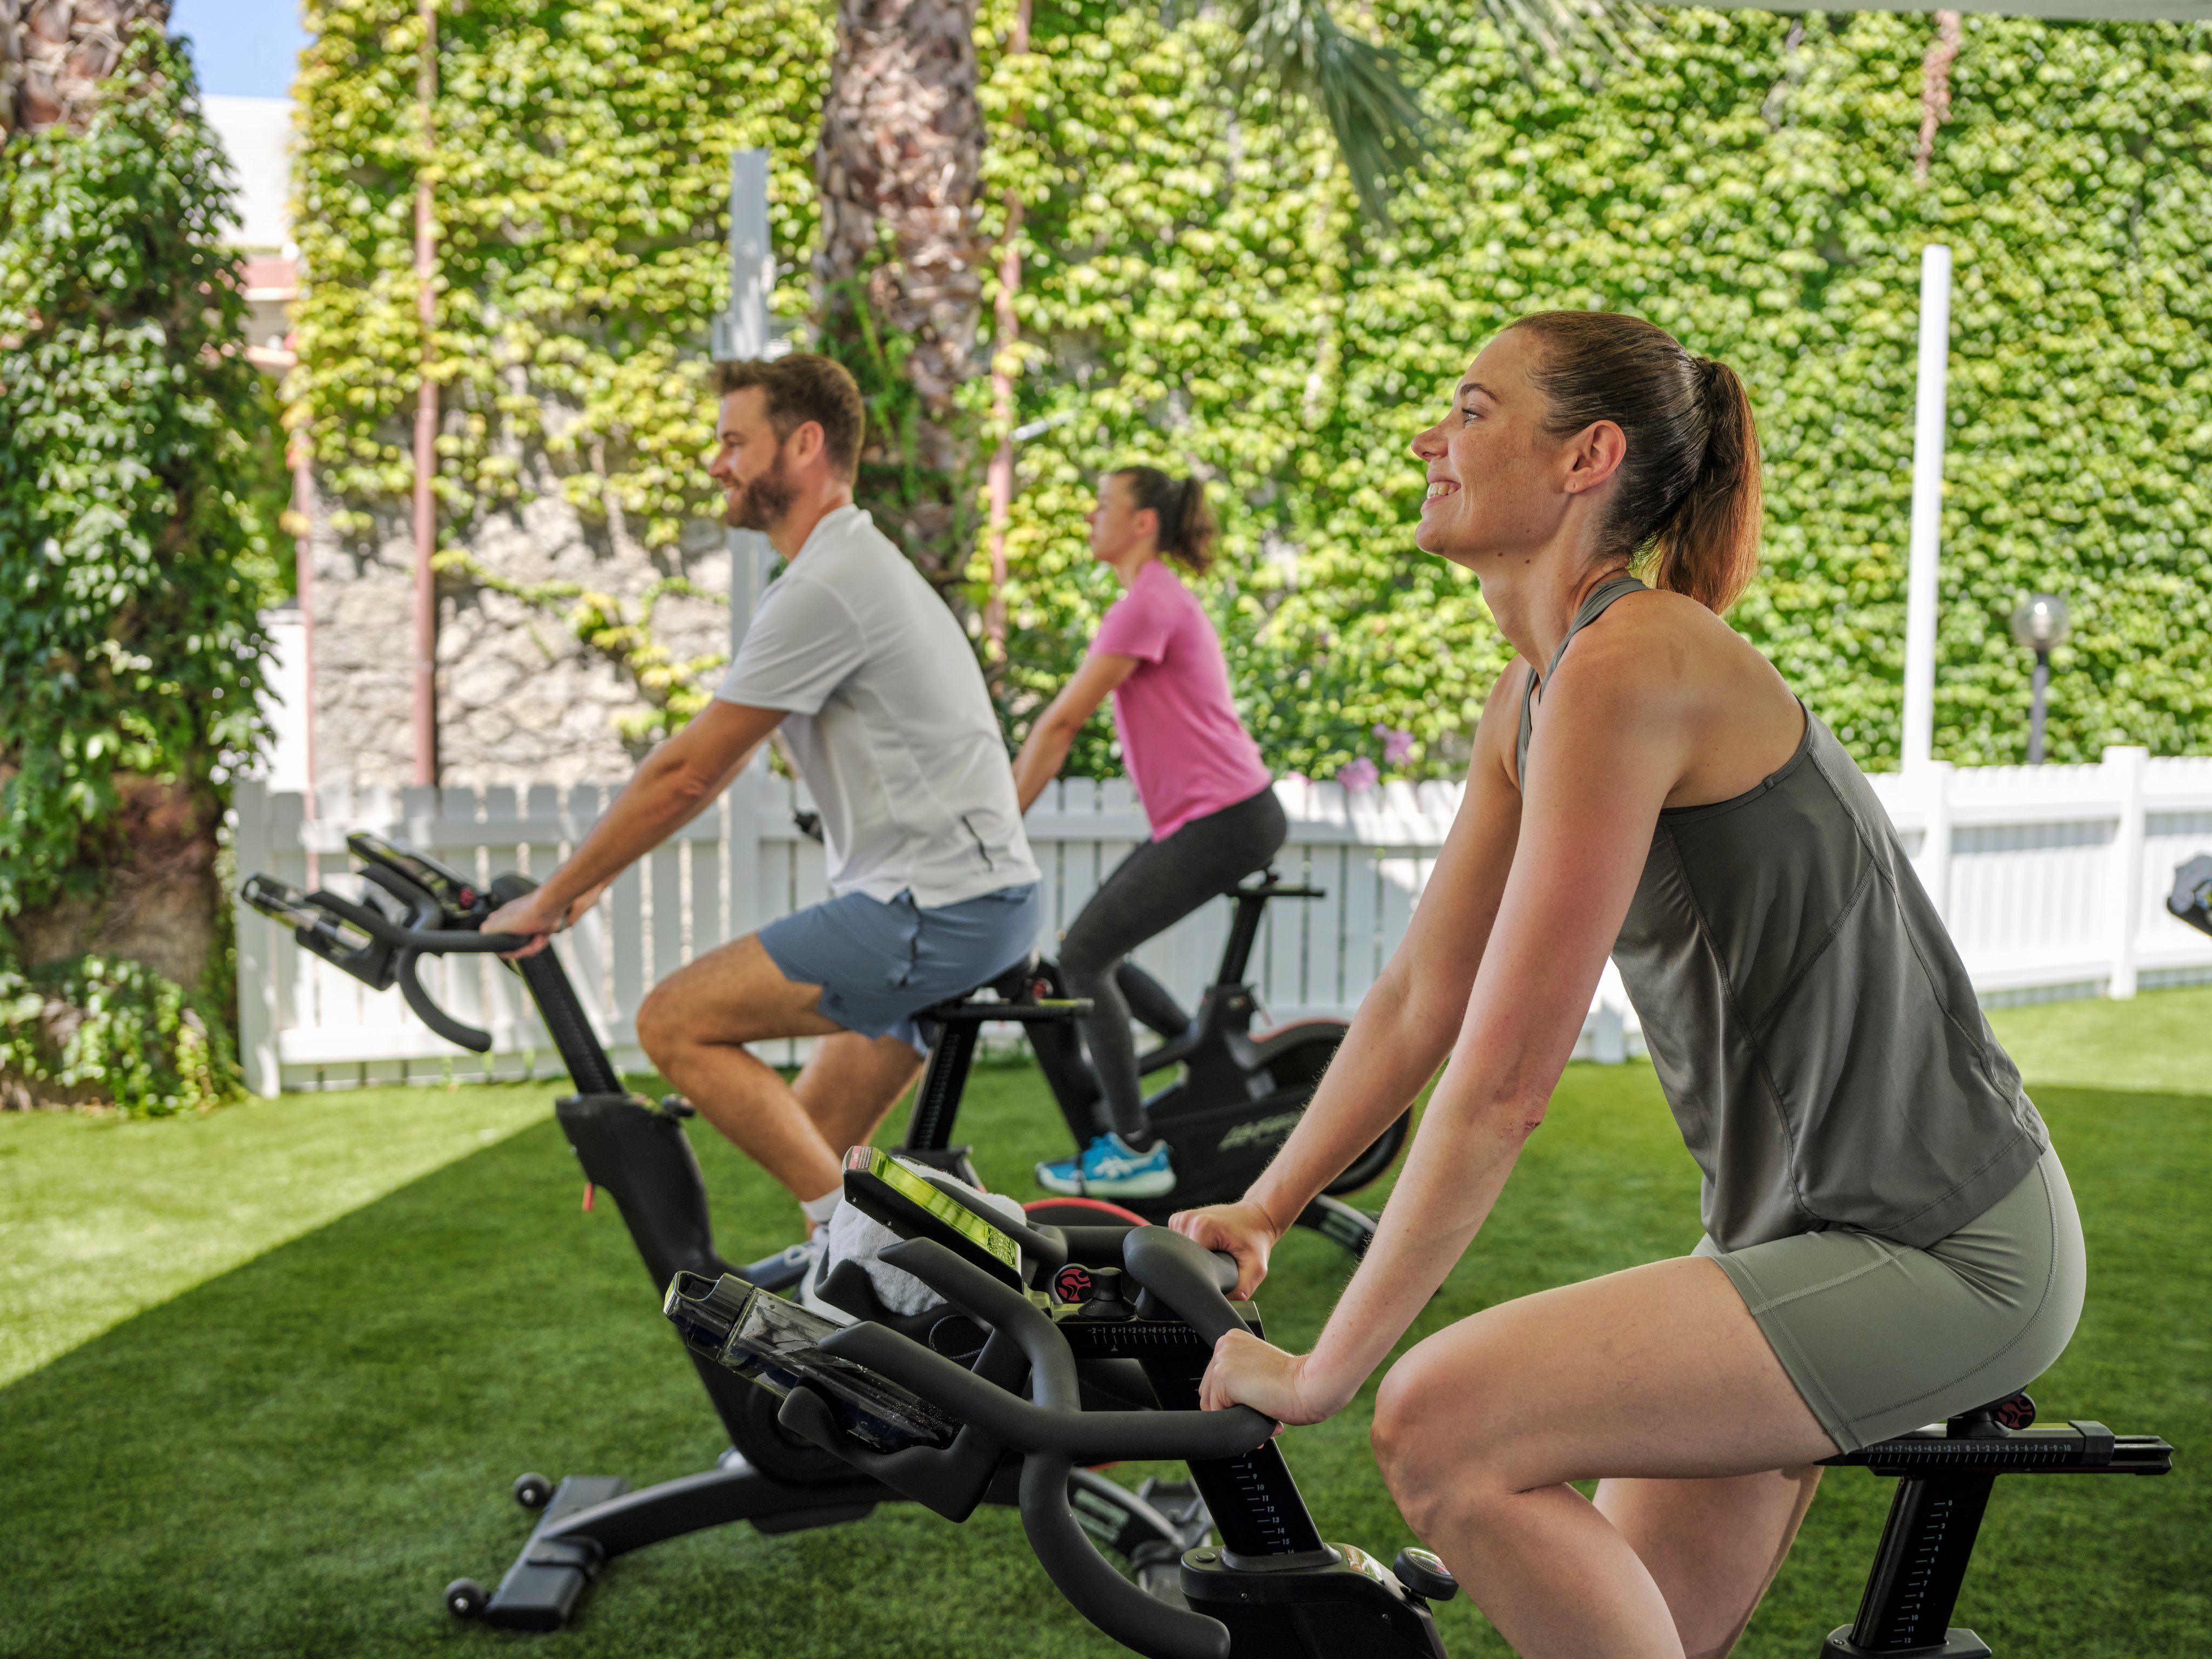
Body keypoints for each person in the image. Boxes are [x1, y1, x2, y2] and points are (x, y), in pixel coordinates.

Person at [1172, 312, 2082, 1659]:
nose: (1431, 437)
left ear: (1585, 456)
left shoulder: (1633, 661)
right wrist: (1267, 1201)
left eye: (1473, 412)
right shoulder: (1534, 694)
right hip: (1797, 1241)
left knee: (1437, 1422)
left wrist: (1320, 1371)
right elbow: (1425, 993)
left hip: (1936, 1248)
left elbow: (1501, 1081)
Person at [483, 354, 1042, 1284]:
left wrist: (557, 896)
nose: (717, 464)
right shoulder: (849, 566)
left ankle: (874, 1263)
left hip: (939, 906)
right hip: (974, 898)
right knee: (817, 1138)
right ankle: (882, 1354)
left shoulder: (828, 584)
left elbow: (690, 774)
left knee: (674, 1024)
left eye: (734, 442)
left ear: (806, 444)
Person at [1009, 467, 1284, 1200]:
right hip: (1217, 818)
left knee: (1086, 956)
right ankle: (1194, 1058)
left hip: (1226, 819)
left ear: (1142, 525)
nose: (1092, 516)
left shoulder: (1146, 603)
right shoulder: (1154, 600)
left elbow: (1062, 722)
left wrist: (1001, 820)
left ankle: (1134, 1148)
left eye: (1104, 505)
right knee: (1092, 949)